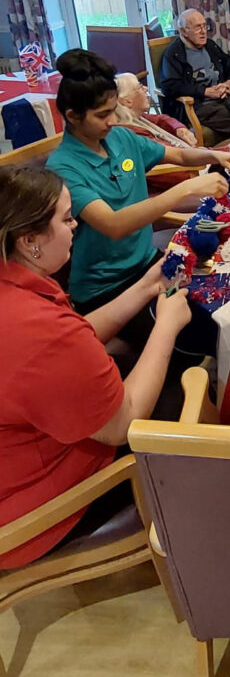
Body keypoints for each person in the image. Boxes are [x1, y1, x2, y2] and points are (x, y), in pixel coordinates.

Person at [0, 166, 192, 568]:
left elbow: (76, 337)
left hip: (18, 456)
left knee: (134, 363)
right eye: (67, 219)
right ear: (29, 241)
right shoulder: (39, 329)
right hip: (28, 511)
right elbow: (122, 423)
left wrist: (146, 286)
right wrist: (168, 324)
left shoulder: (16, 290)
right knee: (180, 392)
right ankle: (184, 528)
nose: (75, 226)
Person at [46, 50, 230, 333]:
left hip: (147, 264)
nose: (112, 121)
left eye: (113, 110)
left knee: (221, 307)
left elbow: (178, 155)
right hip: (107, 290)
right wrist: (186, 188)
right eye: (102, 115)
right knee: (197, 331)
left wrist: (215, 155)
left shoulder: (120, 137)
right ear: (73, 116)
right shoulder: (63, 167)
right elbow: (114, 224)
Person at [160, 9, 230, 141]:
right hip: (199, 103)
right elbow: (169, 86)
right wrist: (204, 91)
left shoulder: (210, 45)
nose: (204, 32)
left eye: (204, 26)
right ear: (183, 31)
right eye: (198, 28)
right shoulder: (173, 54)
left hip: (224, 94)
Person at [115, 72, 197, 148]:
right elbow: (167, 153)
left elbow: (161, 119)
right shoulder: (134, 133)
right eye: (140, 87)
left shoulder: (138, 117)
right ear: (128, 101)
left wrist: (178, 128)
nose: (146, 88)